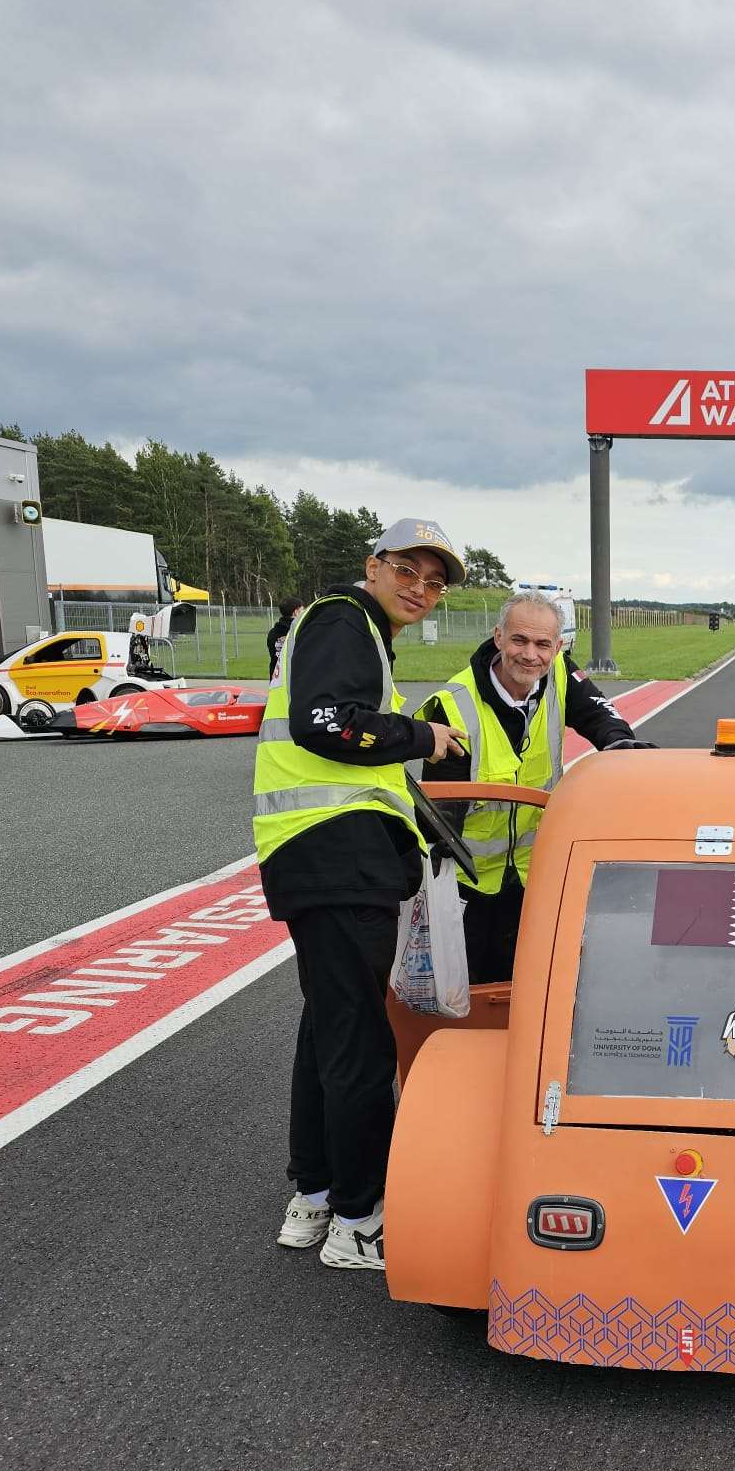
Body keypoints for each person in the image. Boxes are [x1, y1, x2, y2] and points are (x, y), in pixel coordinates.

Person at [254, 520, 470, 1272]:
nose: (421, 587)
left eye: (435, 580)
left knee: (327, 1033)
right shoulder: (346, 619)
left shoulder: (349, 627)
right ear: (373, 565)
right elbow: (328, 727)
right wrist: (423, 738)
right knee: (359, 1046)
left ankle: (312, 1197)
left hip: (311, 857)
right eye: (408, 569)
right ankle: (359, 1216)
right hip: (339, 857)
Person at [415, 593, 649, 983]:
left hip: (534, 872)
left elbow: (599, 714)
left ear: (558, 647)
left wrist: (621, 744)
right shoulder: (453, 705)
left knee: (532, 987)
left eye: (543, 644)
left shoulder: (558, 673)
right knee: (468, 993)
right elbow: (439, 821)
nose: (530, 655)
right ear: (498, 638)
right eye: (519, 640)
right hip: (467, 883)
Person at [265, 598, 303, 678]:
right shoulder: (300, 632)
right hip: (294, 679)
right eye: (302, 611)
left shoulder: (272, 633)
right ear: (296, 612)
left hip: (276, 680)